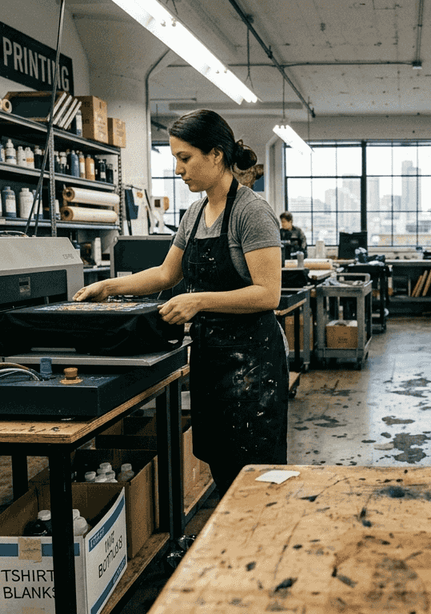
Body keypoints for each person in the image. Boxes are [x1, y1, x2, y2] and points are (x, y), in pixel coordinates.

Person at [73, 109, 287, 493]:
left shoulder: (251, 213)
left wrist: (199, 301)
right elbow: (165, 275)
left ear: (216, 154)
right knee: (222, 464)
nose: (178, 169)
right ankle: (228, 544)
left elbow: (268, 293)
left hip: (252, 365)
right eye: (175, 158)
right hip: (210, 360)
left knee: (255, 474)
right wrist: (108, 287)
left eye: (184, 158)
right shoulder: (194, 214)